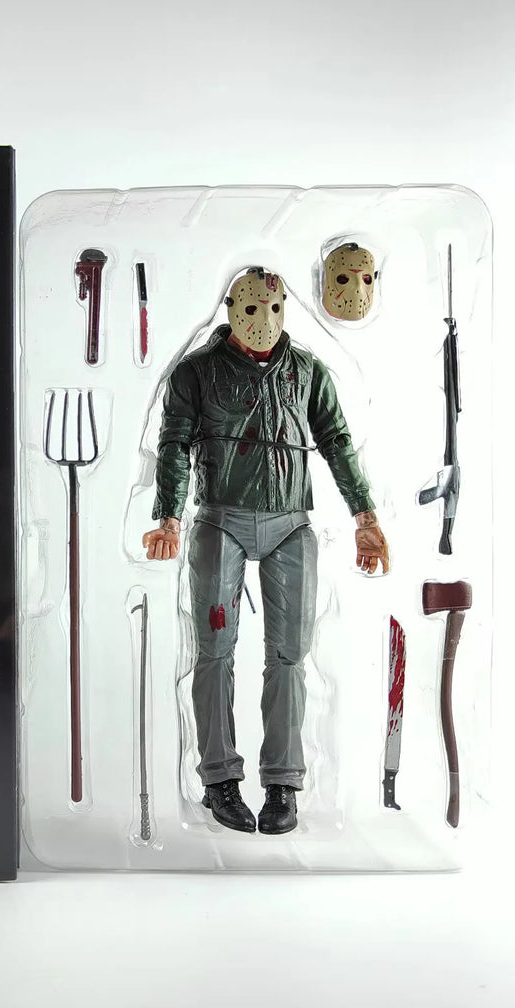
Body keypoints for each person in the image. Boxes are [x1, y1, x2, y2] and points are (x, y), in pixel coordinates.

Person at [142, 268, 389, 835]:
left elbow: (337, 442)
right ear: (231, 306)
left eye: (274, 308)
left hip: (290, 524)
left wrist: (366, 517)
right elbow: (174, 444)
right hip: (220, 521)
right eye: (250, 309)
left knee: (290, 655)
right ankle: (218, 779)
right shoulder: (196, 373)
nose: (263, 321)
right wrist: (169, 518)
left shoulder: (307, 371)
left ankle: (283, 782)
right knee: (214, 650)